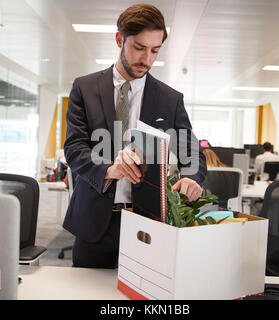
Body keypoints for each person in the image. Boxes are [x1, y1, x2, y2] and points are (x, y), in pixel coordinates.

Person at [62, 4, 207, 268]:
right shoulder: (84, 88)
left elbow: (193, 153)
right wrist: (109, 169)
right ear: (120, 39)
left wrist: (191, 178)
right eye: (139, 48)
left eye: (155, 50)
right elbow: (74, 148)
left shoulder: (170, 99)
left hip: (148, 223)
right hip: (94, 223)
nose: (147, 59)